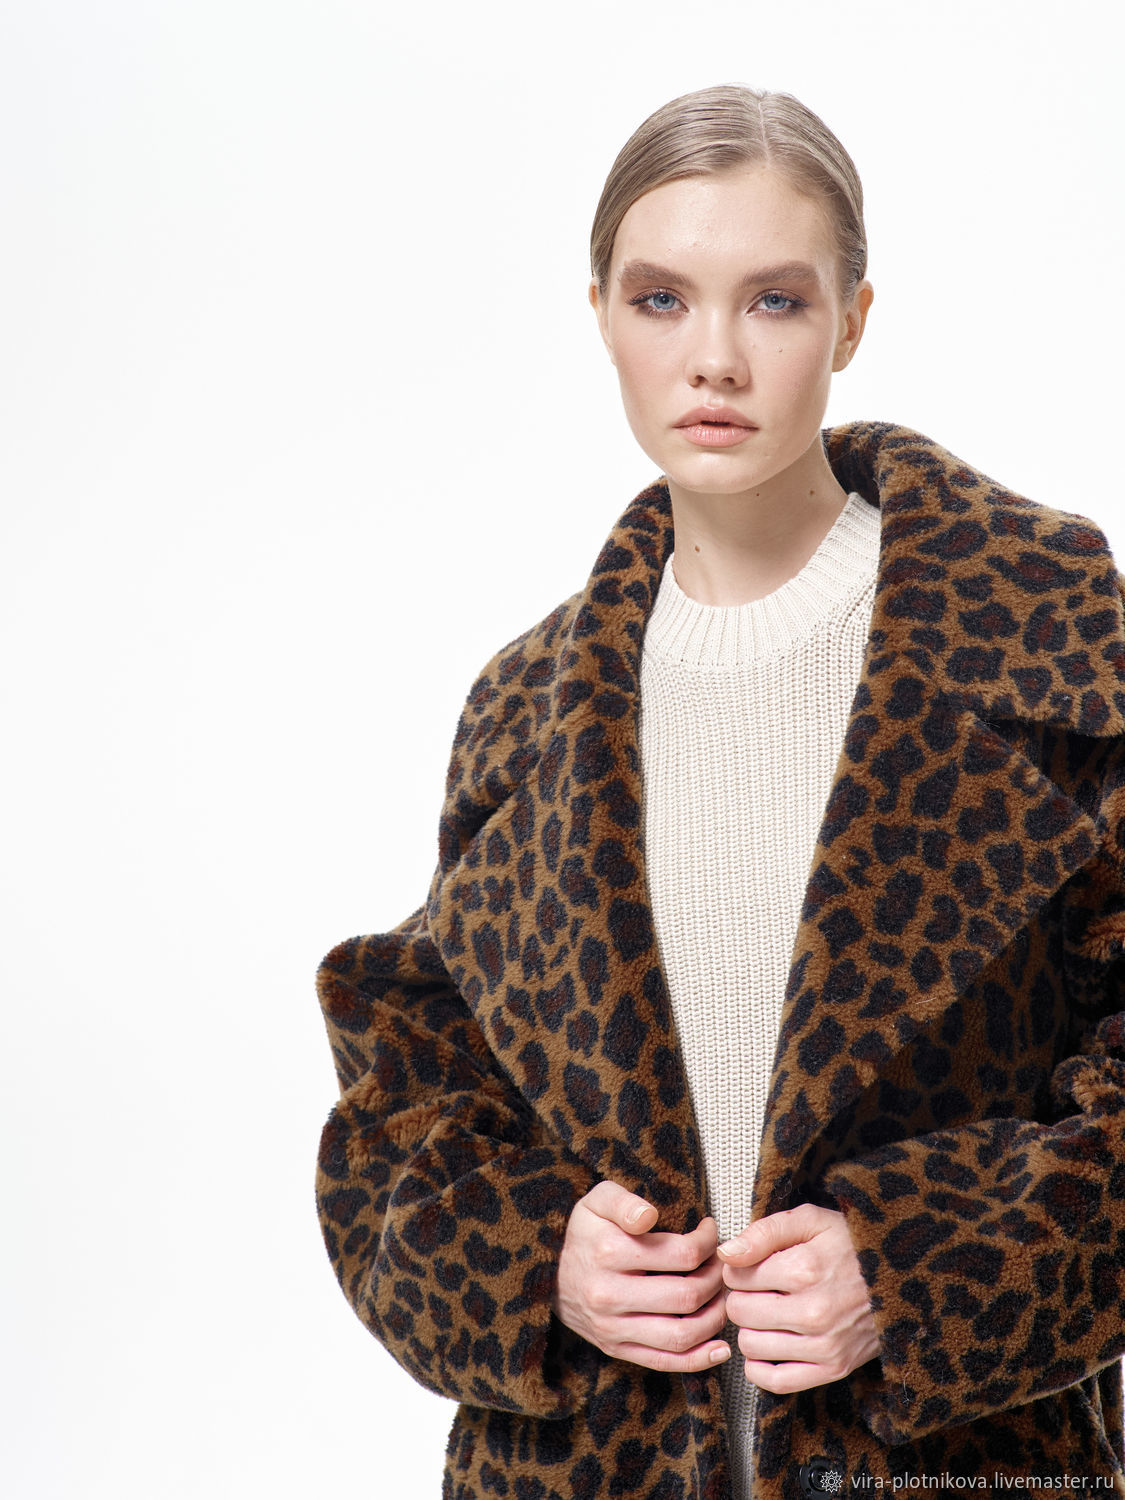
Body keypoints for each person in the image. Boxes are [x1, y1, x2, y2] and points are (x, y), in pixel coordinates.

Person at [314, 85, 1125, 1499]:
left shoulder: (1048, 644)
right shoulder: (525, 712)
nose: (714, 359)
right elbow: (411, 1103)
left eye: (773, 301)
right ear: (600, 317)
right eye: (660, 299)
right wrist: (535, 1256)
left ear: (851, 320)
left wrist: (923, 1267)